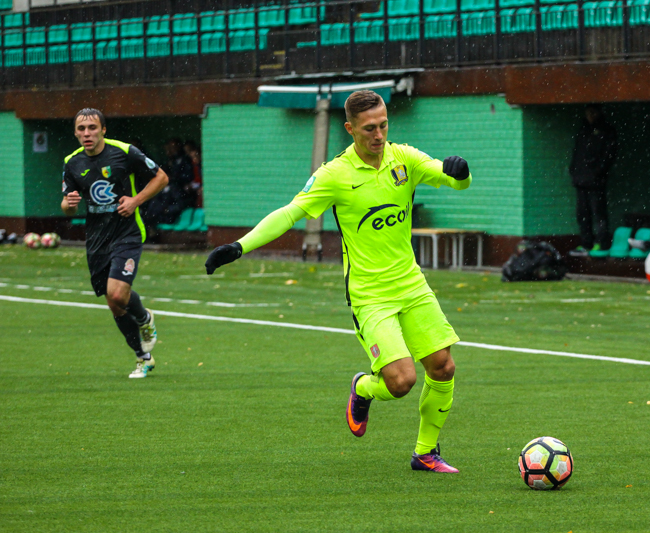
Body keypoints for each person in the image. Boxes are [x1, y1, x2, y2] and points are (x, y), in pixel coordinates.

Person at [205, 90, 472, 473]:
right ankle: (363, 387)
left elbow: (455, 182)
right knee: (401, 382)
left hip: (412, 285)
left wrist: (461, 172)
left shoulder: (405, 158)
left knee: (443, 367)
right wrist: (239, 246)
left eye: (383, 126)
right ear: (349, 129)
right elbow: (291, 212)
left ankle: (425, 453)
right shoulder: (334, 174)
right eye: (369, 129)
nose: (378, 135)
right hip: (370, 295)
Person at [61, 108, 169, 378]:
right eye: (82, 129)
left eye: (92, 128)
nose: (87, 133)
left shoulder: (124, 152)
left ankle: (144, 318)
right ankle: (143, 358)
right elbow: (67, 206)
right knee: (114, 303)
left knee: (119, 294)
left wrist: (135, 201)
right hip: (97, 240)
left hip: (127, 233)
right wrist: (69, 204)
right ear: (75, 133)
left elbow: (161, 177)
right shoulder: (72, 162)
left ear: (103, 130)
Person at [568, 104, 618, 257]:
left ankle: (602, 244)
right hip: (581, 179)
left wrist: (598, 172)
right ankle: (586, 244)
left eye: (593, 113)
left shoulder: (606, 131)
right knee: (582, 214)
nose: (590, 116)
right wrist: (574, 171)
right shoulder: (584, 130)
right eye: (588, 113)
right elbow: (577, 152)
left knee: (598, 213)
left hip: (596, 181)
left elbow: (609, 155)